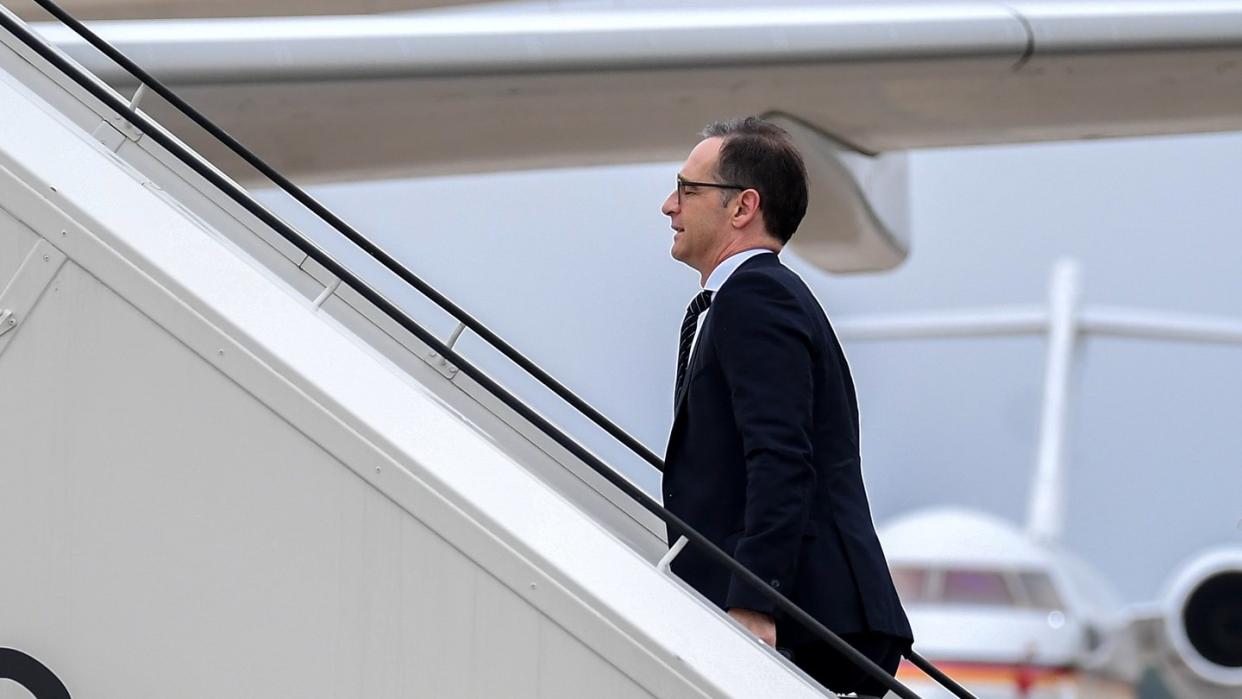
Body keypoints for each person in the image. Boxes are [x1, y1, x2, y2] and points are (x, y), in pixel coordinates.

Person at [659, 116, 913, 696]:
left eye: (687, 189)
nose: (668, 206)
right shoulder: (751, 298)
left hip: (795, 615)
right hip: (804, 609)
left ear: (742, 207)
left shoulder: (756, 296)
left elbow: (781, 457)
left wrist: (755, 599)